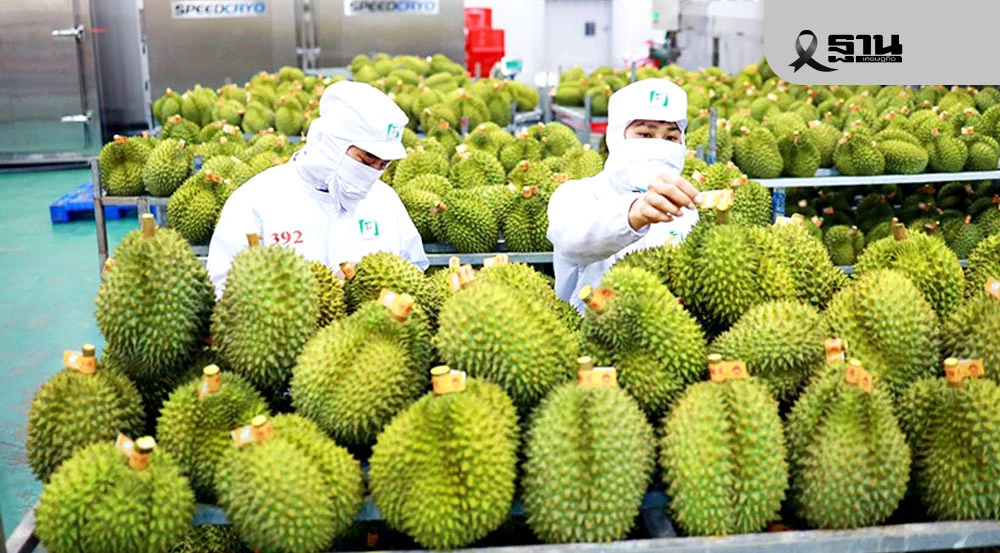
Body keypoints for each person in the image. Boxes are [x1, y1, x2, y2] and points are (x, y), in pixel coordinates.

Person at [206, 81, 429, 297]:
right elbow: (223, 289)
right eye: (366, 160)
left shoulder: (386, 201)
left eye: (383, 165)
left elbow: (414, 273)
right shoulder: (255, 201)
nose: (373, 171)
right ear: (331, 144)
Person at [547, 78, 701, 313]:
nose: (659, 146)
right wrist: (634, 214)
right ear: (617, 137)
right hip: (586, 332)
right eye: (645, 135)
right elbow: (572, 239)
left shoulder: (687, 211)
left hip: (667, 331)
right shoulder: (576, 195)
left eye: (671, 138)